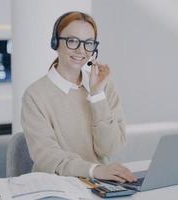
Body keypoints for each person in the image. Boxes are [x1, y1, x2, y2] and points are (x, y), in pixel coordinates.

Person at [21, 11, 137, 183]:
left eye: (88, 43)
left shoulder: (104, 86)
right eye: (72, 41)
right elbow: (47, 156)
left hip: (98, 185)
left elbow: (109, 148)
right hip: (55, 185)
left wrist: (97, 96)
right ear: (55, 43)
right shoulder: (35, 95)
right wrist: (93, 170)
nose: (81, 50)